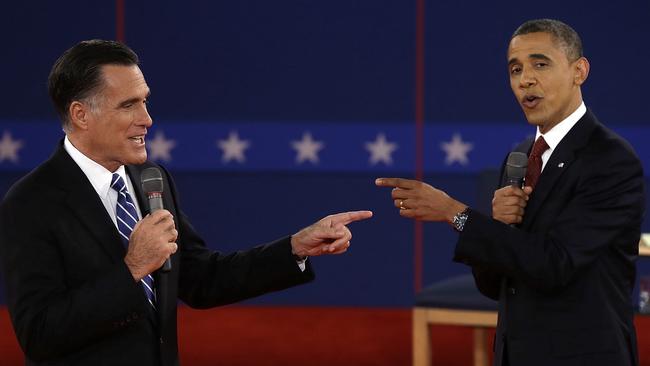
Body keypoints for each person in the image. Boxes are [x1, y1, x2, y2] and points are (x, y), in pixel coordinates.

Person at [0, 39, 372, 366]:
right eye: (129, 105)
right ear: (81, 114)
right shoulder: (31, 203)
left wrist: (294, 248)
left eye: (145, 101)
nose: (147, 119)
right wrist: (132, 269)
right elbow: (39, 335)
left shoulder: (151, 181)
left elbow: (202, 279)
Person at [376, 19, 645, 366]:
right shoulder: (519, 158)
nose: (525, 79)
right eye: (515, 69)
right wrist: (498, 225)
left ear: (579, 71)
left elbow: (555, 266)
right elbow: (495, 285)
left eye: (540, 64)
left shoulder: (610, 160)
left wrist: (455, 213)